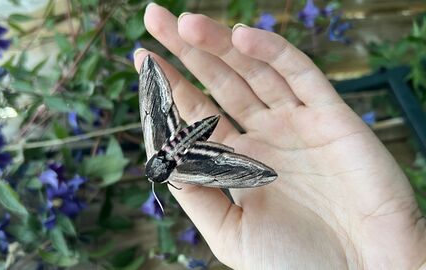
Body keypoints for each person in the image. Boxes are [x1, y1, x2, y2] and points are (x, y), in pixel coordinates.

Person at [133, 3, 426, 269]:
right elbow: (154, 111)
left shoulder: (180, 173)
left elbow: (154, 109)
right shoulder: (171, 160)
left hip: (196, 141)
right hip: (193, 136)